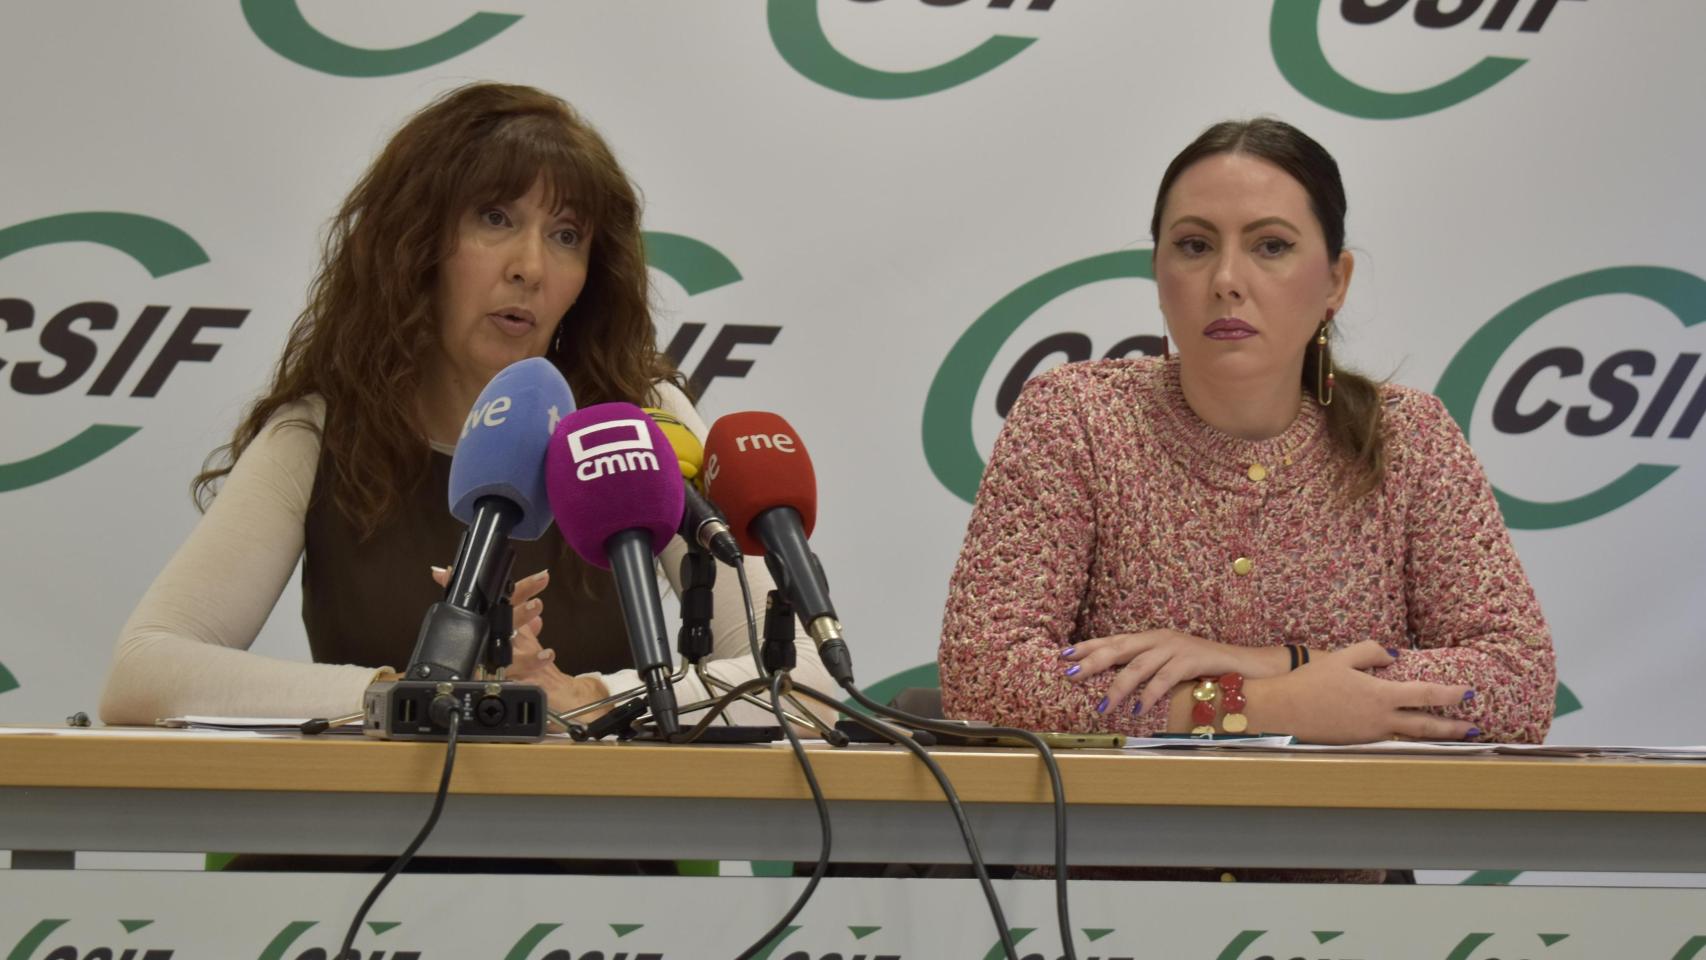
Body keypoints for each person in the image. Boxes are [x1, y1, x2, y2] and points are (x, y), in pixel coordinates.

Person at [99, 82, 830, 729]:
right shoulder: (325, 430)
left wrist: (589, 698)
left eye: (566, 236)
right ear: (414, 244)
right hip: (358, 856)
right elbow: (143, 672)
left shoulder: (641, 420)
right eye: (494, 219)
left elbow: (808, 678)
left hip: (596, 859)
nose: (531, 267)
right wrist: (406, 696)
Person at [939, 117, 1554, 751]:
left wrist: (1278, 661)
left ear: (1335, 281)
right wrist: (1254, 703)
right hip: (1104, 849)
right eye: (1195, 246)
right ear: (1158, 272)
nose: (1227, 279)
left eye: (1271, 246)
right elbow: (984, 677)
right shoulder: (1076, 417)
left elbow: (1519, 684)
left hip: (1335, 849)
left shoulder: (1409, 438)